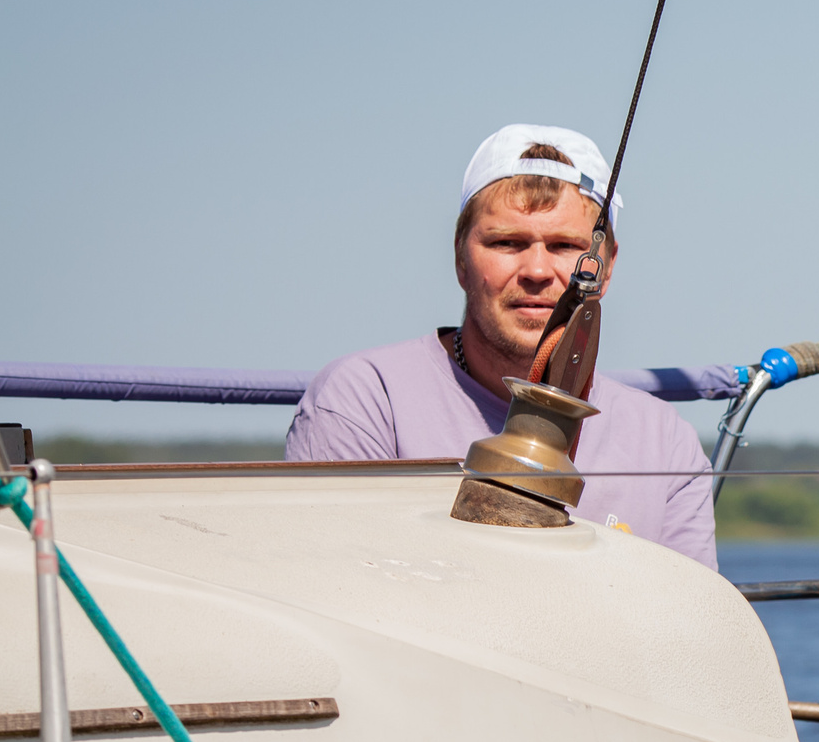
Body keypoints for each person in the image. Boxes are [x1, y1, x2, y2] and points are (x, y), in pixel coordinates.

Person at [285, 124, 716, 569]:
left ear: (605, 268)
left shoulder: (667, 443)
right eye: (506, 242)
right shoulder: (365, 401)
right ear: (460, 257)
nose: (536, 269)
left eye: (565, 245)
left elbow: (691, 628)